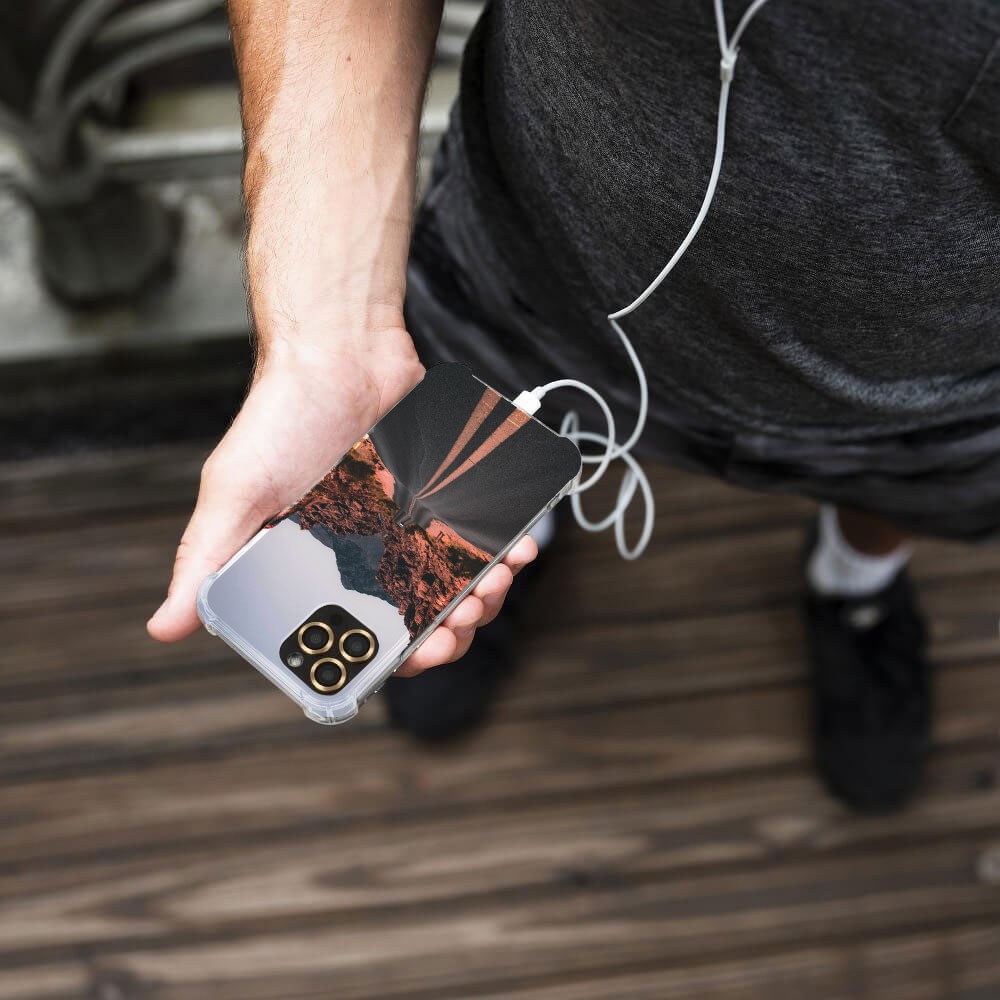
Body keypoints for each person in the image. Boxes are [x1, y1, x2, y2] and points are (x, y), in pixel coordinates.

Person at [147, 0, 1000, 813]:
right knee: (480, 442)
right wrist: (324, 339)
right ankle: (495, 540)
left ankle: (855, 585)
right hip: (527, 261)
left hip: (938, 382)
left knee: (899, 494)